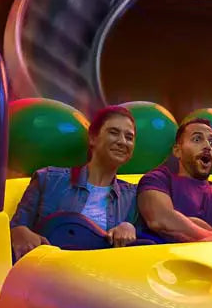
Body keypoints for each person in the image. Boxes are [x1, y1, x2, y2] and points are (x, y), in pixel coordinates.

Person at [9, 105, 140, 260]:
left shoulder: (134, 195)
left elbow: (148, 243)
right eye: (113, 133)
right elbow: (15, 228)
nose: (122, 142)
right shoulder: (48, 179)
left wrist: (130, 227)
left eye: (129, 137)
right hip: (48, 272)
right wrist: (19, 233)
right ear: (93, 138)